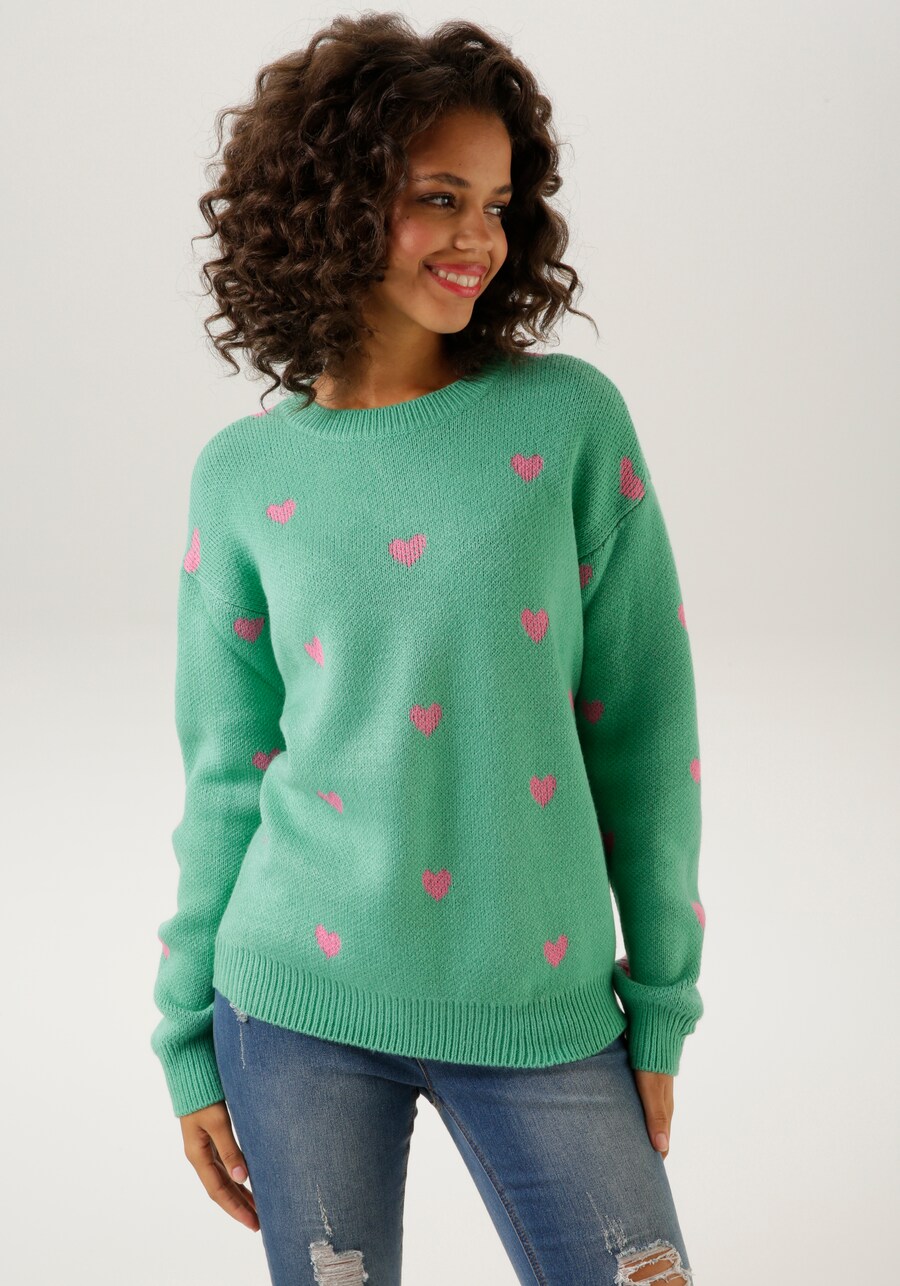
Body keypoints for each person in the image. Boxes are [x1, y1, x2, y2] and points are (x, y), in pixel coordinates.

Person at [151, 13, 704, 1285]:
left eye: (498, 204)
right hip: (291, 1008)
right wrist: (185, 1036)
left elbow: (646, 726)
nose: (480, 240)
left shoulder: (566, 422)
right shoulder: (242, 476)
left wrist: (663, 999)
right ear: (333, 206)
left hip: (541, 1004)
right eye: (439, 197)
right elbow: (228, 771)